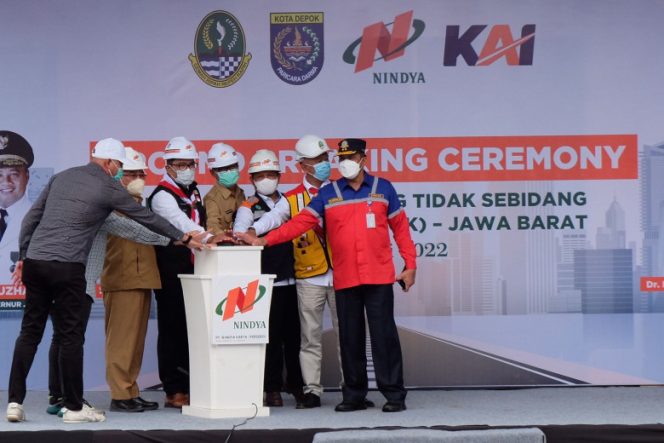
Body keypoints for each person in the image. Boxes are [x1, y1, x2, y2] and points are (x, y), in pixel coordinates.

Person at [6, 138, 205, 423]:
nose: (122, 173)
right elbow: (143, 217)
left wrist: (25, 255)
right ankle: (74, 408)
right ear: (109, 163)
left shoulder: (61, 177)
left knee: (29, 333)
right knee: (70, 337)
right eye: (121, 167)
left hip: (36, 263)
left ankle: (14, 402)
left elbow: (30, 220)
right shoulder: (108, 185)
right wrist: (182, 237)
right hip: (69, 265)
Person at [237, 138, 416, 413]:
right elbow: (299, 223)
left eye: (352, 157)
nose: (346, 163)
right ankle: (354, 395)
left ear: (363, 159)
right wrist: (264, 240)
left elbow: (401, 228)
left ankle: (394, 395)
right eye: (342, 157)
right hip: (345, 277)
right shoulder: (329, 192)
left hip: (379, 275)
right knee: (349, 338)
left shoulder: (383, 188)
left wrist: (410, 264)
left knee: (384, 336)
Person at [241, 135, 341, 409]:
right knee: (309, 336)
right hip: (309, 273)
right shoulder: (292, 198)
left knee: (347, 334)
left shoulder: (339, 190)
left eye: (325, 159)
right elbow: (274, 219)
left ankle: (353, 389)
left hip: (342, 272)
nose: (323, 164)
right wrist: (252, 231)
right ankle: (311, 390)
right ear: (303, 166)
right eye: (317, 161)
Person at [147, 136, 223, 409]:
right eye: (180, 164)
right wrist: (215, 238)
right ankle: (174, 389)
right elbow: (185, 226)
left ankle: (194, 384)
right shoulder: (162, 197)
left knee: (196, 329)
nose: (186, 168)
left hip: (197, 269)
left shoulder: (193, 192)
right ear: (167, 167)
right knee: (172, 329)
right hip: (171, 272)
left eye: (190, 163)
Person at [234, 149, 304, 407]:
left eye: (271, 174)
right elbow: (240, 234)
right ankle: (271, 388)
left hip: (294, 278)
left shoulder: (291, 201)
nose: (266, 179)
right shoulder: (248, 207)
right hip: (265, 281)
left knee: (295, 337)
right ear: (252, 179)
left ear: (279, 175)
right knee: (271, 337)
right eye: (260, 175)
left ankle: (297, 386)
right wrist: (252, 233)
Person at [0, 131, 34, 283]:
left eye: (13, 174)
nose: (5, 181)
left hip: (22, 301)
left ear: (27, 176)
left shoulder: (42, 219)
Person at [203, 142, 245, 234]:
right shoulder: (212, 198)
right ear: (212, 172)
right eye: (223, 169)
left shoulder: (240, 193)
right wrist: (225, 238)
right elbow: (212, 225)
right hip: (224, 245)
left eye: (232, 166)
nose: (229, 171)